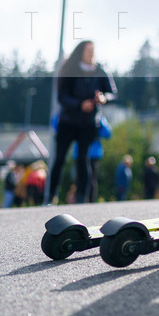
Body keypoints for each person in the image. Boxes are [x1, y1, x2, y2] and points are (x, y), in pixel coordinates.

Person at [46, 40, 115, 204]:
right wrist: (79, 104)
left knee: (83, 160)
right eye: (88, 50)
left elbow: (112, 93)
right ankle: (50, 197)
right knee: (59, 159)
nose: (91, 53)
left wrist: (103, 99)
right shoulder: (70, 69)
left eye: (93, 50)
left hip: (88, 124)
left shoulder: (100, 71)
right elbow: (61, 96)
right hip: (68, 122)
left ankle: (82, 199)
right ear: (80, 52)